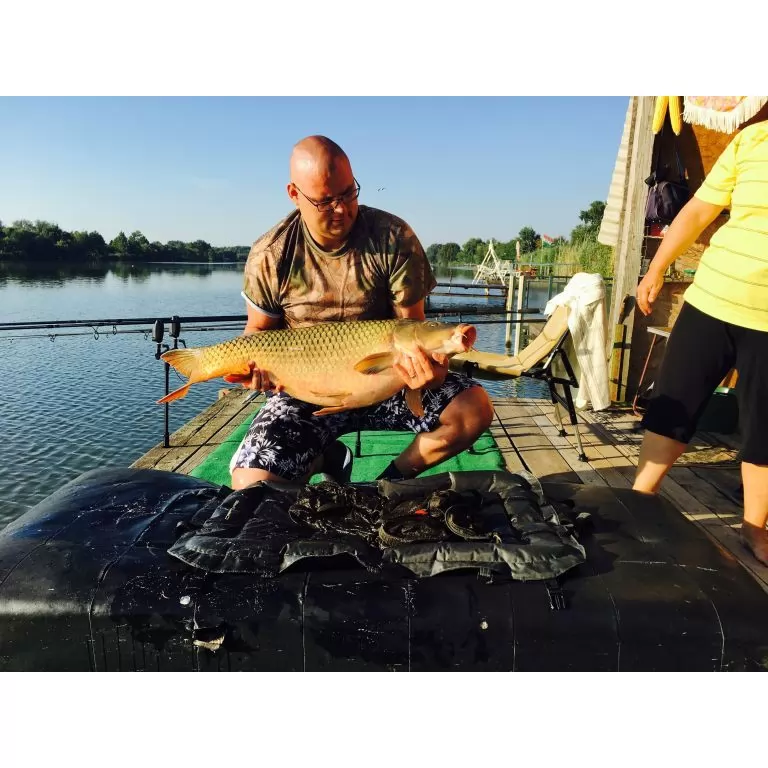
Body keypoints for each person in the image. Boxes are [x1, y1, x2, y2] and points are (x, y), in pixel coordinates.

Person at [227, 135, 494, 490]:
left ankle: (387, 484)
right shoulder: (271, 253)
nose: (342, 209)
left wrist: (432, 372)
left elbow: (413, 328)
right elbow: (258, 332)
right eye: (325, 201)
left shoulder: (393, 237)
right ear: (294, 194)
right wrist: (255, 371)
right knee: (250, 484)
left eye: (349, 193)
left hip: (389, 381)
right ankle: (327, 457)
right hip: (307, 391)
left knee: (473, 408)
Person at [634, 120, 768, 566]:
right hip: (712, 299)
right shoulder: (752, 139)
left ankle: (754, 528)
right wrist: (656, 269)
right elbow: (697, 211)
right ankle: (640, 500)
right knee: (671, 407)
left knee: (764, 430)